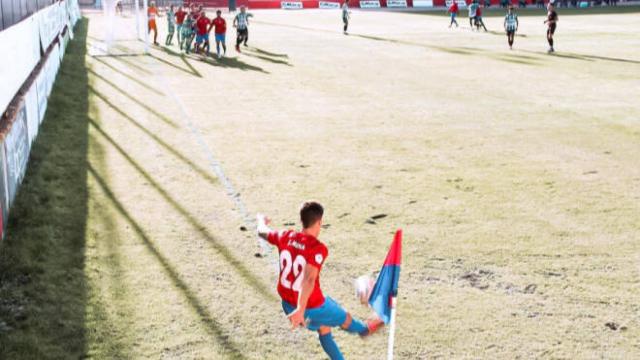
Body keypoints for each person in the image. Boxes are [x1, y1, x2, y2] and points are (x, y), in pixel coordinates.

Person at [256, 202, 384, 360]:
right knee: (345, 318)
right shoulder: (316, 248)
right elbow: (309, 280)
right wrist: (301, 310)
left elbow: (262, 231)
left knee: (324, 328)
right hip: (309, 307)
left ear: (302, 220)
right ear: (319, 222)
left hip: (288, 305)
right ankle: (365, 329)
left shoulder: (284, 236)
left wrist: (261, 220)